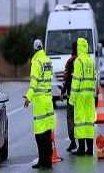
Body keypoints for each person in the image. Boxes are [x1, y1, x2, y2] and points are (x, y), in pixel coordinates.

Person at [23, 39, 56, 169]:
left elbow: (34, 83)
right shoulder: (48, 61)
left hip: (40, 102)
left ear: (34, 49)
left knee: (39, 134)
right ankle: (47, 160)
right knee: (47, 132)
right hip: (48, 99)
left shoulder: (36, 62)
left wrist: (28, 98)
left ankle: (43, 161)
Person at [69, 38, 96, 156]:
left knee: (80, 122)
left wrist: (72, 98)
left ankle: (81, 149)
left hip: (80, 96)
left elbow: (76, 81)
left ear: (79, 47)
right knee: (89, 122)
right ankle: (90, 149)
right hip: (90, 96)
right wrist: (93, 94)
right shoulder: (90, 61)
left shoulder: (78, 61)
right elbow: (94, 79)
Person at [60, 42, 77, 152]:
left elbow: (66, 79)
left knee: (71, 118)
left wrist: (62, 91)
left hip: (72, 96)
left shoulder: (71, 61)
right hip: (84, 97)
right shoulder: (86, 60)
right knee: (81, 120)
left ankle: (73, 141)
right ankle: (82, 143)